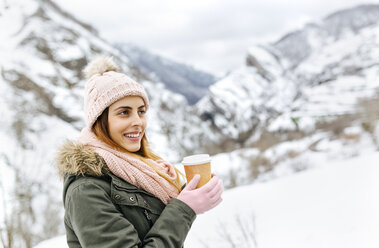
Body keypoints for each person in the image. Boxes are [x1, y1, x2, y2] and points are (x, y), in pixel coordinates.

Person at [56, 57, 224, 248]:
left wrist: (190, 195)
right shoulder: (86, 190)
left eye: (141, 111)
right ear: (100, 120)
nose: (138, 121)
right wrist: (184, 209)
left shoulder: (138, 170)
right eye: (124, 112)